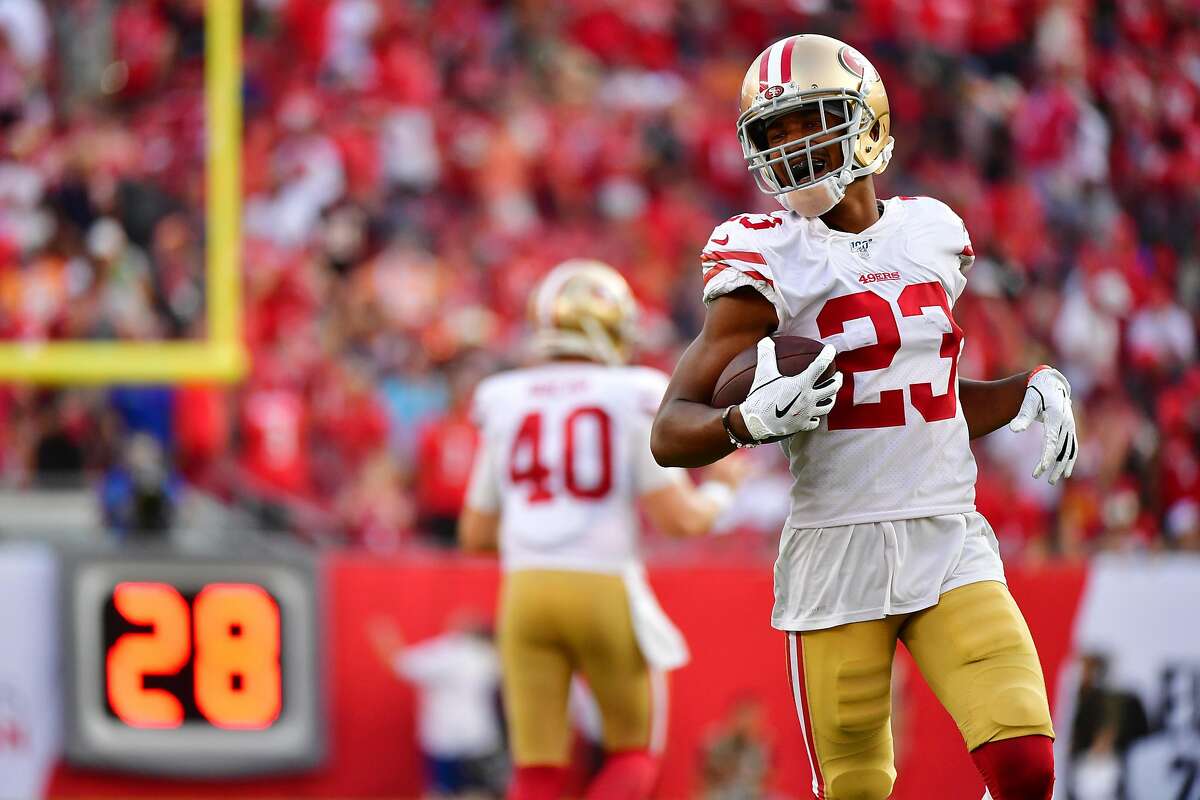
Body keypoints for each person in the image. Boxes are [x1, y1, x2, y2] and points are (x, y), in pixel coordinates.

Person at [650, 34, 1079, 800]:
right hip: (837, 551)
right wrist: (744, 423)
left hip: (947, 534)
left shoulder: (931, 232)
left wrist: (1025, 390)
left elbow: (923, 395)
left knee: (1025, 766)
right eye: (772, 134)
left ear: (866, 119)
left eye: (808, 120)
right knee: (856, 791)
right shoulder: (765, 256)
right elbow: (670, 428)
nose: (792, 146)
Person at [459, 260, 745, 800]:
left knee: (536, 770)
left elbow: (474, 533)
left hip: (524, 591)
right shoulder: (630, 391)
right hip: (601, 586)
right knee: (632, 753)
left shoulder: (504, 397)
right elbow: (678, 519)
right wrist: (722, 489)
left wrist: (541, 534)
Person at [368, 612, 505, 799]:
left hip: (446, 739)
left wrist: (384, 637)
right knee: (478, 791)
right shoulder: (490, 656)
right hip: (479, 737)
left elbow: (398, 664)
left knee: (443, 792)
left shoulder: (446, 652)